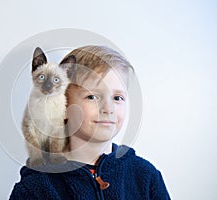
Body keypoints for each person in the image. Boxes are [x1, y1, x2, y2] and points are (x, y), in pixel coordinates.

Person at [9, 45, 171, 199]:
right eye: (92, 97)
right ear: (64, 106)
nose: (109, 108)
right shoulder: (34, 189)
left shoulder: (146, 176)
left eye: (117, 98)